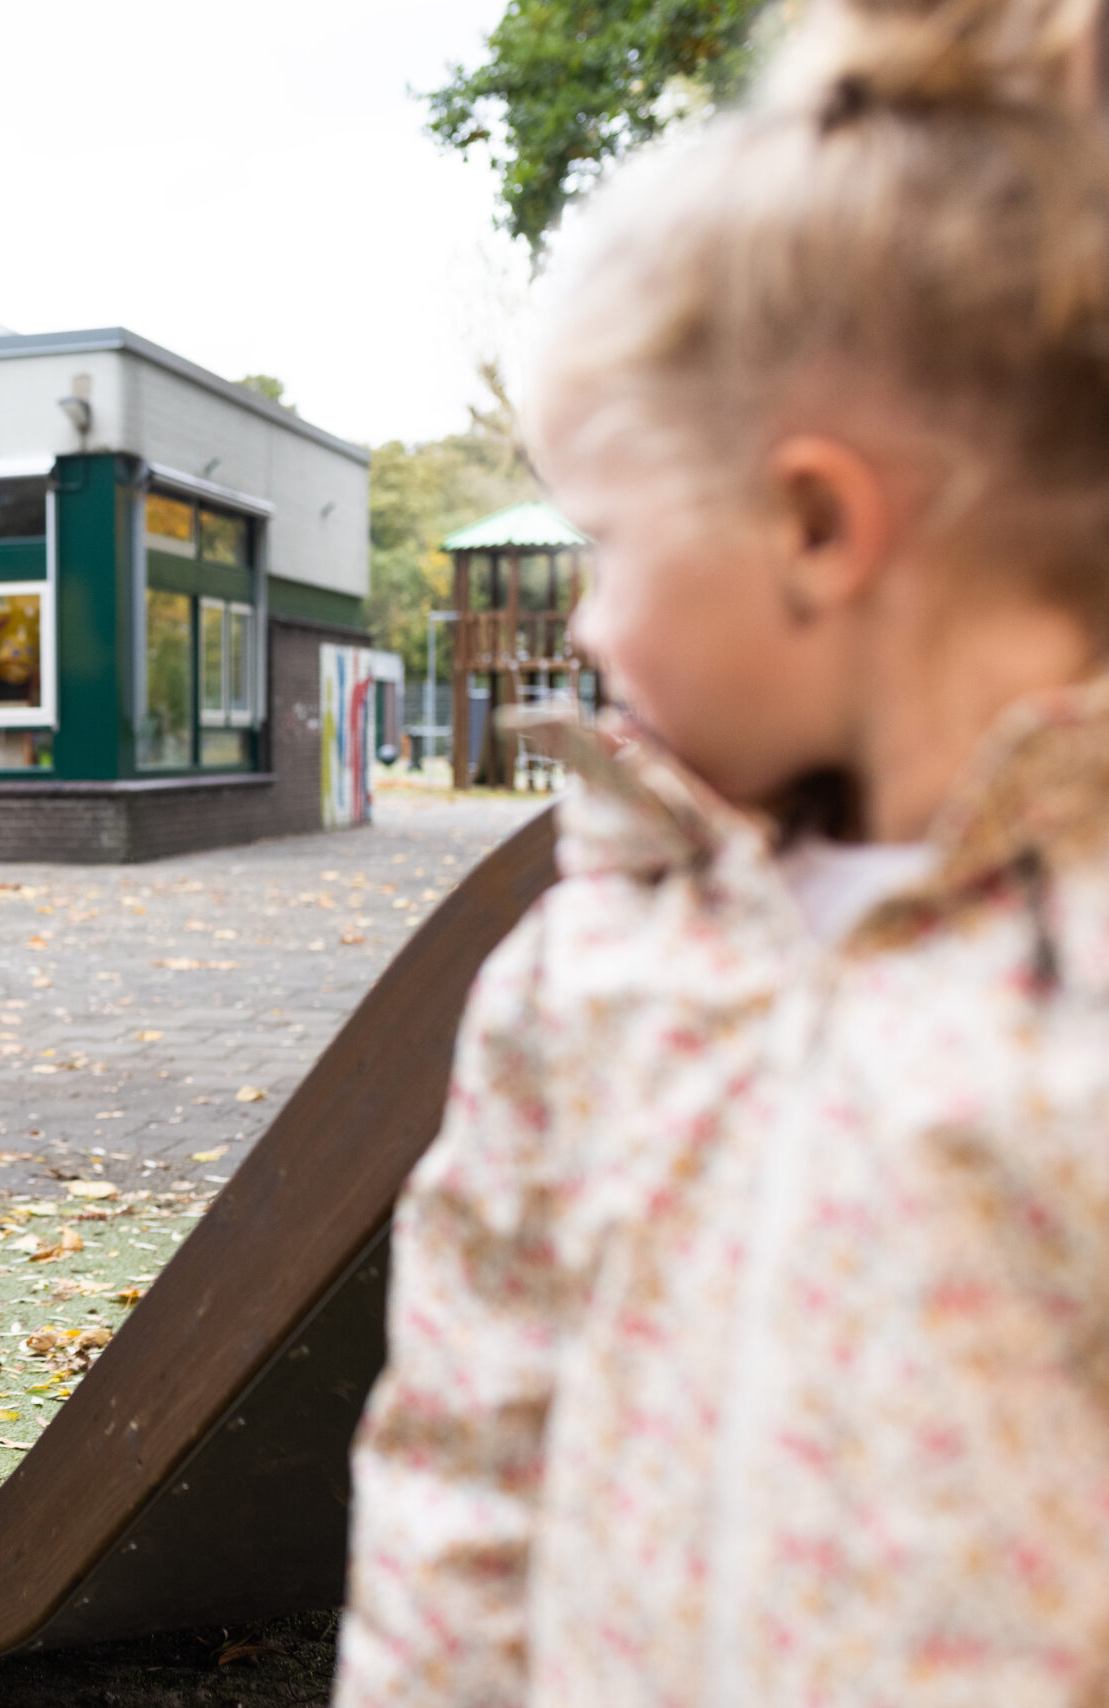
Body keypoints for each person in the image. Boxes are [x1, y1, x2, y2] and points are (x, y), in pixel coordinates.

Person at [334, 1, 1109, 1702]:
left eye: (611, 540)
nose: (591, 621)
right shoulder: (588, 963)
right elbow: (464, 1451)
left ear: (817, 525)